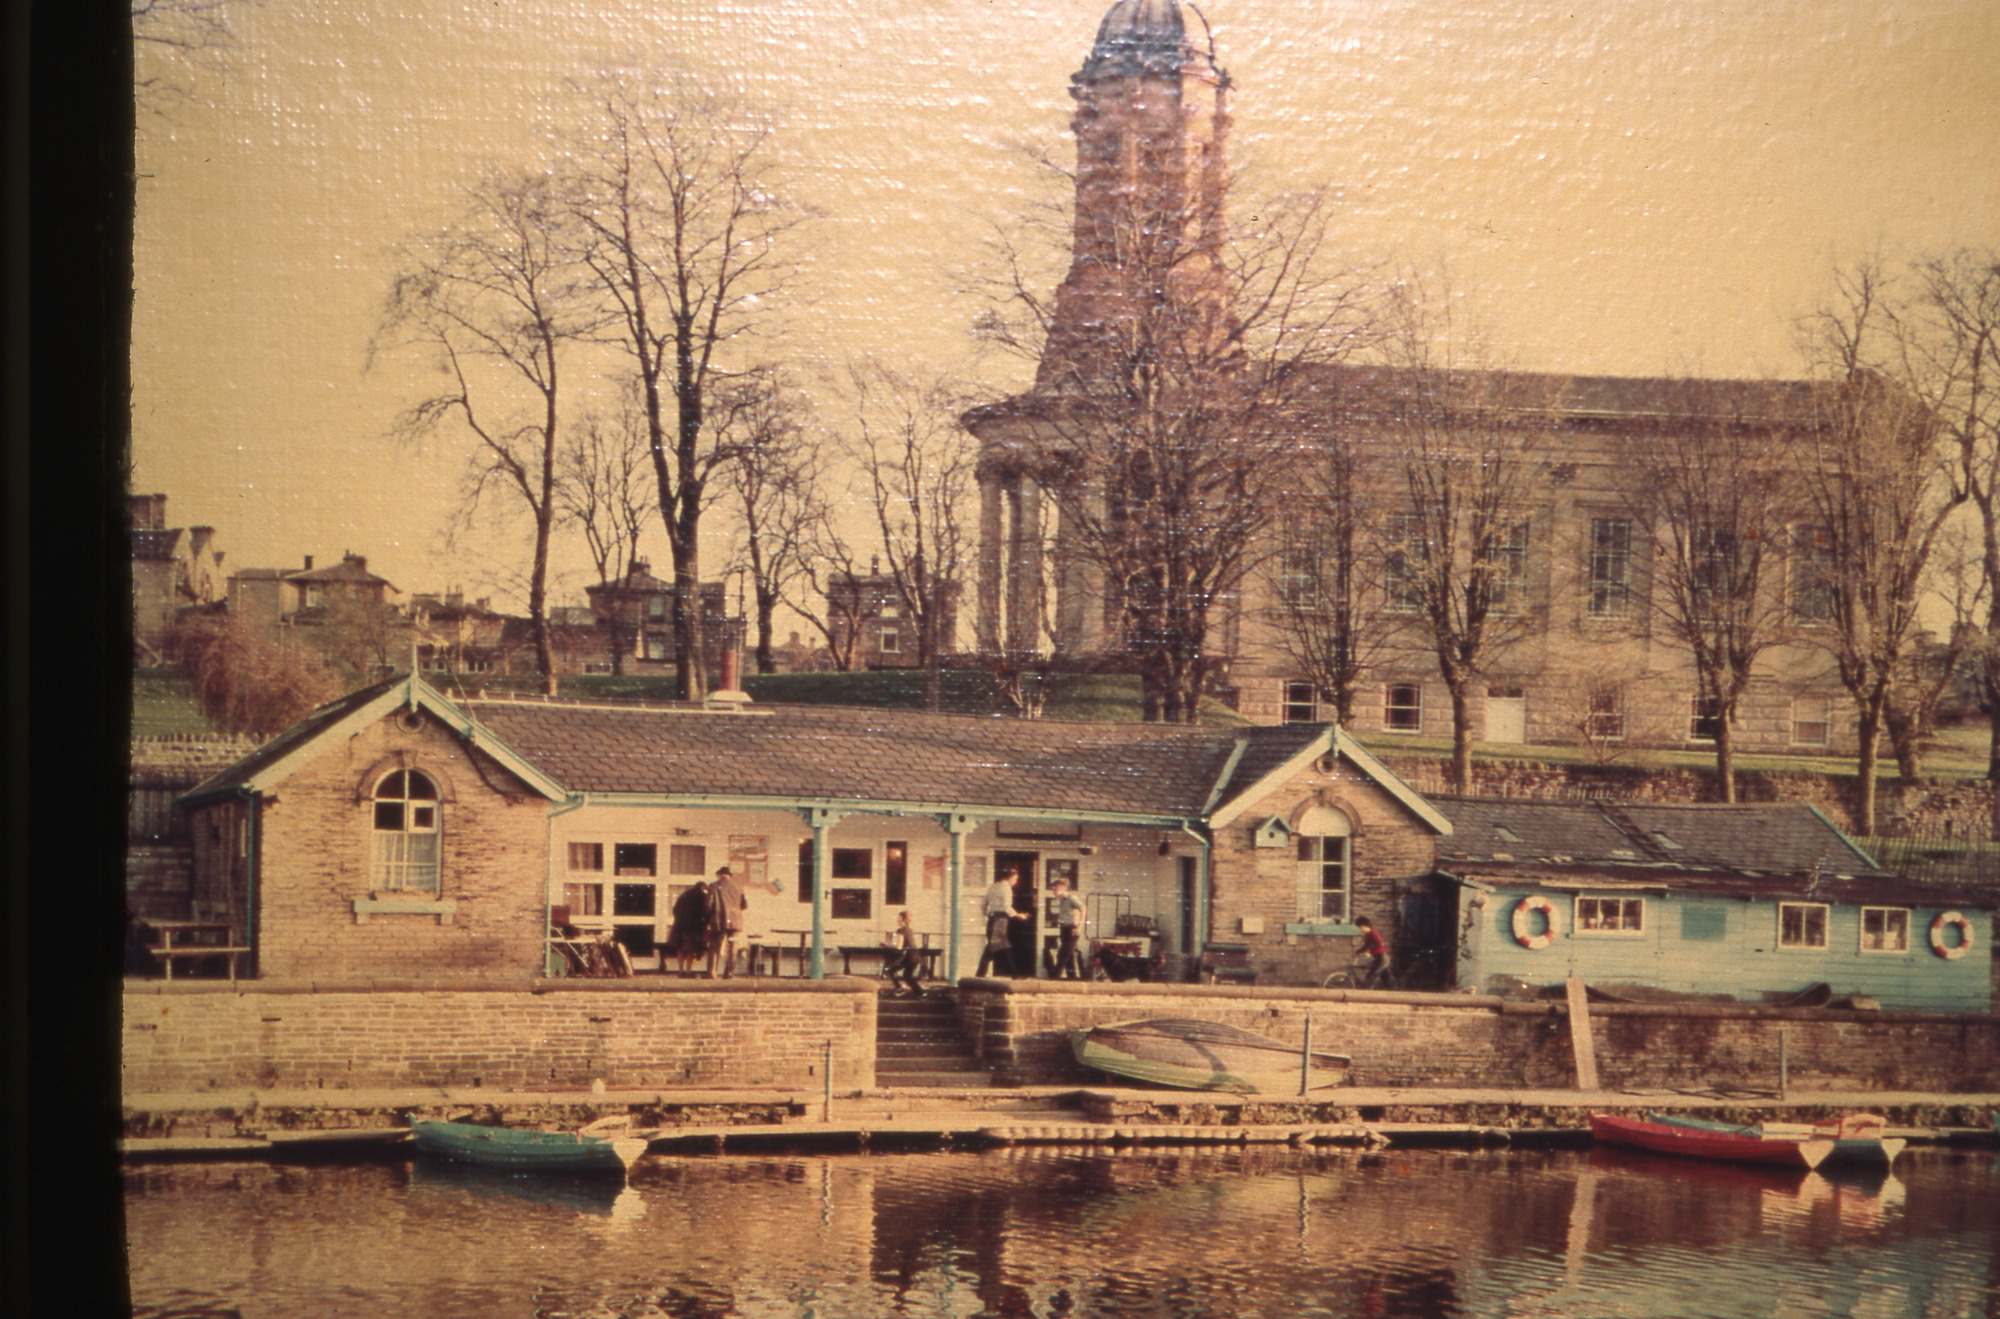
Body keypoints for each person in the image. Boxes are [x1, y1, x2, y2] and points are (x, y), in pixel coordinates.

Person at [706, 865, 747, 979]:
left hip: (719, 920)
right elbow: (744, 905)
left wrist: (707, 917)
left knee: (715, 946)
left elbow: (708, 905)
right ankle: (729, 973)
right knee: (733, 947)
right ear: (730, 876)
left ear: (719, 875)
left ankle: (712, 972)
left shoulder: (714, 886)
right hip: (735, 921)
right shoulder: (739, 887)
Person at [976, 867, 1018, 977]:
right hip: (1001, 919)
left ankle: (980, 974)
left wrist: (988, 913)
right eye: (1015, 879)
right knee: (1001, 946)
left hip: (992, 919)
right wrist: (1018, 915)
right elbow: (1006, 906)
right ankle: (1014, 974)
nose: (1015, 882)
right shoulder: (1006, 888)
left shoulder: (993, 887)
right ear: (1010, 878)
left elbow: (983, 904)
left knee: (996, 946)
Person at [666, 880, 710, 975]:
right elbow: (705, 911)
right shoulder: (702, 896)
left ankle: (681, 970)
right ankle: (688, 971)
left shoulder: (684, 894)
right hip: (694, 927)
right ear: (703, 888)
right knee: (691, 949)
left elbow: (675, 909)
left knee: (680, 948)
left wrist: (679, 919)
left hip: (680, 925)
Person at [1048, 878, 1087, 980]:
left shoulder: (1071, 898)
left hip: (1072, 929)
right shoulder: (1061, 900)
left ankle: (1054, 978)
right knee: (1068, 956)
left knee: (1062, 955)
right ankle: (1072, 979)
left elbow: (1083, 908)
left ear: (1063, 887)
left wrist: (1079, 927)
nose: (1054, 890)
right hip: (1064, 929)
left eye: (1055, 888)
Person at [883, 909, 924, 997]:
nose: (897, 920)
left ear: (903, 920)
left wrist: (887, 944)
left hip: (909, 957)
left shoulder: (900, 930)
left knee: (889, 970)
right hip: (915, 956)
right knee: (907, 976)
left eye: (899, 919)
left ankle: (899, 989)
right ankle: (922, 994)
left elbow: (899, 946)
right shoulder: (909, 930)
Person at [1354, 915, 1388, 988]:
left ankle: (1366, 994)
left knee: (1371, 976)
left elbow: (1380, 945)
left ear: (1367, 926)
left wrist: (1370, 953)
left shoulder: (1374, 933)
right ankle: (1392, 992)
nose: (1360, 930)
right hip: (1378, 958)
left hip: (1382, 958)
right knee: (1386, 978)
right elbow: (1366, 946)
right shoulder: (1367, 935)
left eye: (1361, 927)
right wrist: (1357, 952)